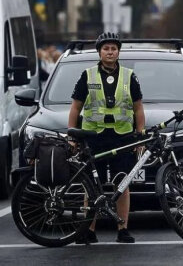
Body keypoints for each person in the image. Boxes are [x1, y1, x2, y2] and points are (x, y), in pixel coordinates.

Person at [68, 32, 145, 244]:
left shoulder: (129, 76)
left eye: (113, 48)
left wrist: (141, 133)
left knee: (122, 183)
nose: (110, 52)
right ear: (99, 52)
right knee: (92, 186)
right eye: (106, 48)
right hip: (94, 137)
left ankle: (123, 229)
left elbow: (138, 108)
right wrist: (71, 135)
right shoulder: (88, 75)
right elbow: (76, 107)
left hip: (122, 137)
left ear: (118, 51)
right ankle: (89, 230)